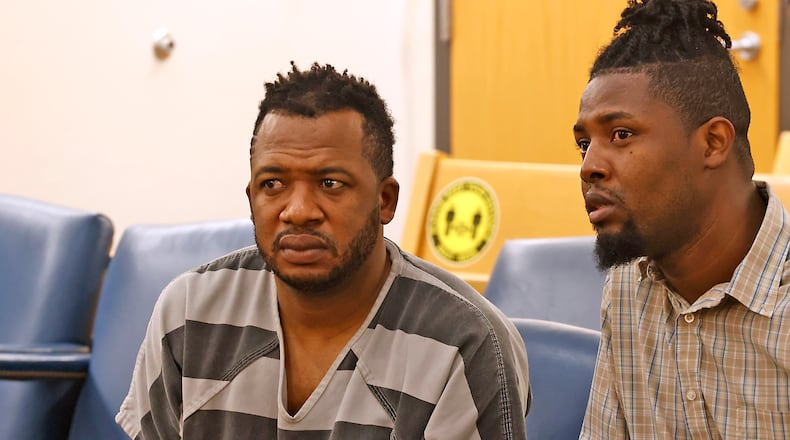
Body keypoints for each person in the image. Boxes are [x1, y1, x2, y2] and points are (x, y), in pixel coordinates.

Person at [116, 62, 530, 439]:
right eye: (273, 184)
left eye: (330, 183)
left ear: (385, 201)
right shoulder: (188, 312)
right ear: (250, 198)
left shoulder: (462, 342)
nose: (297, 212)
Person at [573, 0, 790, 438]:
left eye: (621, 134)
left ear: (713, 142)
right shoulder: (626, 290)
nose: (589, 166)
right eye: (583, 144)